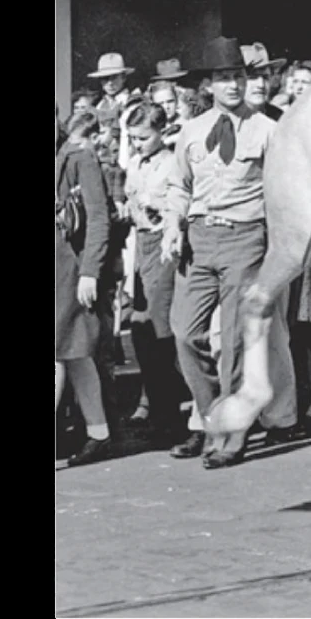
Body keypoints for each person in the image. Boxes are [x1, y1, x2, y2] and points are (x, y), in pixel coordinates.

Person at [162, 37, 302, 468]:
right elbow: (179, 185)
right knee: (185, 333)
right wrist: (172, 227)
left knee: (237, 341)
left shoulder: (268, 130)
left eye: (239, 76)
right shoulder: (192, 131)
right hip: (198, 240)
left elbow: (284, 192)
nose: (233, 85)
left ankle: (233, 434)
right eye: (224, 78)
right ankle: (211, 416)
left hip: (245, 238)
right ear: (209, 84)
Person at [122, 103, 193, 445]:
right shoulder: (136, 163)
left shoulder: (172, 162)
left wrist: (159, 207)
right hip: (140, 244)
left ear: (161, 132)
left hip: (163, 245)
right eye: (132, 138)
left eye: (143, 137)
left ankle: (172, 417)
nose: (137, 144)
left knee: (160, 330)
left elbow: (183, 203)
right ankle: (158, 410)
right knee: (141, 330)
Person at [56, 106, 117, 466]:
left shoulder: (79, 157)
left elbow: (98, 218)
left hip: (68, 268)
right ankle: (99, 433)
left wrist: (90, 271)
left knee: (59, 351)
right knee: (74, 354)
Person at [88, 53, 138, 127]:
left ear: (123, 78)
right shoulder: (98, 104)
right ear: (100, 81)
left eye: (114, 77)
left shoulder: (132, 102)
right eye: (105, 78)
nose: (110, 83)